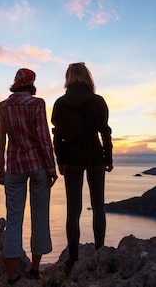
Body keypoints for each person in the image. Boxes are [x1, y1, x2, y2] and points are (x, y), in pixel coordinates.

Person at [0, 68, 58, 284]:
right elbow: (43, 139)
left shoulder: (3, 107)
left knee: (14, 219)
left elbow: (1, 140)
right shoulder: (37, 104)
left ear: (16, 84)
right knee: (40, 218)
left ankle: (12, 276)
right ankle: (34, 270)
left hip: (14, 166)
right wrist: (51, 168)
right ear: (31, 84)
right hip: (37, 165)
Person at [51, 62, 113, 270]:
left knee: (73, 210)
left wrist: (59, 159)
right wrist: (108, 157)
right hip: (95, 156)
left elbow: (57, 136)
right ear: (88, 76)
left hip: (71, 159)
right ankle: (99, 252)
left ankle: (73, 258)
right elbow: (104, 131)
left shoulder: (61, 103)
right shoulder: (97, 101)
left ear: (68, 78)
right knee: (98, 206)